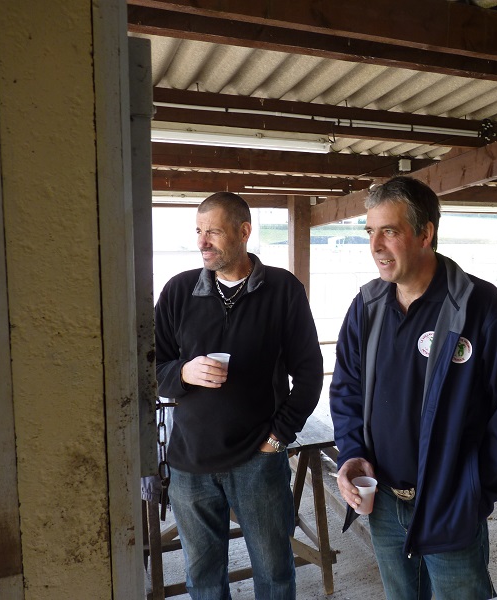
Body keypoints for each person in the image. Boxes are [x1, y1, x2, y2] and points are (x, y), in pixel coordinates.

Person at [330, 176, 497, 600]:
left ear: (426, 233)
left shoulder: (481, 307)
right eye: (370, 232)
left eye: (389, 231)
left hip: (451, 505)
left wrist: (476, 491)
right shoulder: (366, 307)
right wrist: (351, 452)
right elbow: (347, 389)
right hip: (384, 503)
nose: (376, 246)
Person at [154, 191, 323, 600]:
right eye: (198, 231)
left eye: (212, 231)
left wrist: (277, 438)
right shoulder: (178, 291)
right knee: (203, 578)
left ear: (244, 231)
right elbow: (149, 370)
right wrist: (184, 372)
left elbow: (309, 374)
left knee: (275, 570)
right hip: (189, 462)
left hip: (257, 460)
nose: (202, 241)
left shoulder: (283, 289)